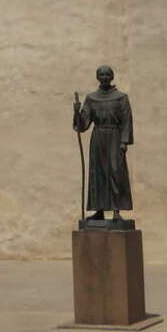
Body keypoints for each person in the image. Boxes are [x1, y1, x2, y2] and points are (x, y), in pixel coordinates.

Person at [73, 65, 133, 220]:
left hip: (114, 136)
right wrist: (77, 112)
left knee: (115, 172)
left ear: (112, 77)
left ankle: (116, 210)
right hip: (98, 137)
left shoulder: (121, 97)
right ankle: (99, 210)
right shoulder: (91, 98)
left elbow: (127, 121)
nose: (105, 77)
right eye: (101, 74)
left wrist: (124, 141)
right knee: (97, 173)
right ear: (97, 77)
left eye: (107, 74)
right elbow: (83, 124)